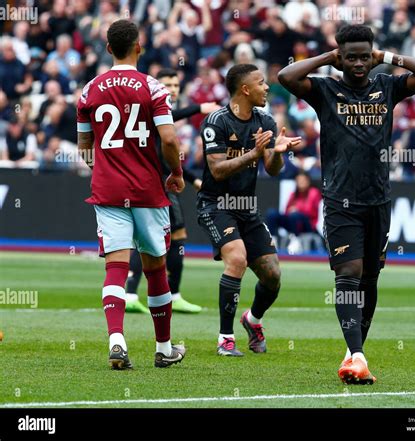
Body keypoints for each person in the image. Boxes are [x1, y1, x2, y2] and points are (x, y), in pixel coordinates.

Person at [278, 24, 415, 384]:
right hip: (341, 200)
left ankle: (355, 352)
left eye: (364, 56)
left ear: (373, 56)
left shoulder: (387, 87)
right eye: (350, 57)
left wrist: (387, 57)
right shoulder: (325, 90)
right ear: (340, 58)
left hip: (379, 199)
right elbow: (285, 75)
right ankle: (356, 355)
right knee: (348, 274)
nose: (357, 63)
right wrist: (327, 59)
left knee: (370, 278)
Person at [77, 20, 186, 370]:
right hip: (146, 190)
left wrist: (106, 168)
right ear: (139, 47)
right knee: (156, 268)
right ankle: (164, 348)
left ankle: (117, 340)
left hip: (107, 190)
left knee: (116, 266)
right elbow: (168, 139)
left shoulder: (89, 89)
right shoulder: (153, 87)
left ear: (108, 48)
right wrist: (176, 172)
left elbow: (85, 147)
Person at [197, 63, 301, 356]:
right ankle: (225, 339)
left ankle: (252, 320)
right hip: (215, 204)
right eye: (261, 83)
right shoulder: (216, 121)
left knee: (272, 275)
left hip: (246, 208)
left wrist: (277, 154)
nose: (267, 87)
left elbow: (271, 168)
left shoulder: (265, 121)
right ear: (245, 89)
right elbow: (216, 170)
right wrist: (253, 153)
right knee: (238, 259)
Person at [125, 67, 220, 314]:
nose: (173, 89)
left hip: (142, 182)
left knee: (142, 238)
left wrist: (190, 178)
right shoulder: (156, 109)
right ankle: (171, 294)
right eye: (168, 84)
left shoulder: (146, 110)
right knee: (176, 236)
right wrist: (198, 108)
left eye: (177, 86)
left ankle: (130, 293)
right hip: (158, 185)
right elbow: (162, 155)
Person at [266, 171, 322, 250]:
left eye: (302, 180)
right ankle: (273, 240)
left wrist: (297, 209)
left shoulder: (314, 192)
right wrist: (291, 211)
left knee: (294, 215)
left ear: (308, 181)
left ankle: (296, 240)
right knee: (272, 213)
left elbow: (311, 212)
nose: (300, 183)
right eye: (298, 180)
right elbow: (286, 211)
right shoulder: (294, 194)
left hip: (308, 224)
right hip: (293, 221)